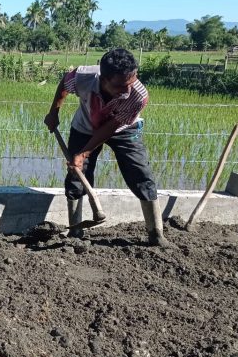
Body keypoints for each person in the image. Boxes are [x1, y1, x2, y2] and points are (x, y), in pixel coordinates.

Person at [43, 48, 169, 246]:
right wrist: (54, 112)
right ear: (103, 79)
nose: (127, 90)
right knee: (77, 176)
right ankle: (75, 231)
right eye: (120, 86)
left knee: (140, 174)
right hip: (85, 127)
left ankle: (156, 233)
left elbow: (111, 127)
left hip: (123, 129)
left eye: (132, 82)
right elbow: (64, 85)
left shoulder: (138, 96)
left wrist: (84, 152)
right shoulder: (83, 77)